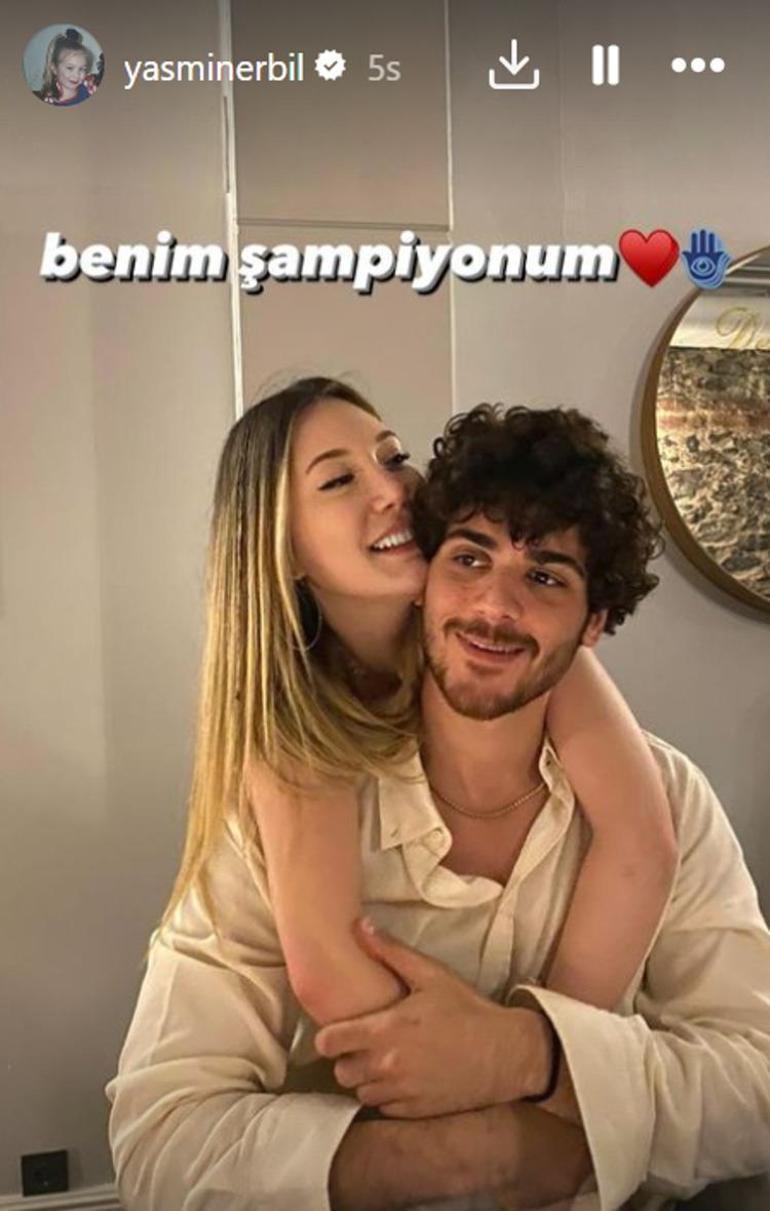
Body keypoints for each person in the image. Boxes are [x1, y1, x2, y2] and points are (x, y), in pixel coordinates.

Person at [107, 387, 770, 1209]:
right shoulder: (286, 776)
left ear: (594, 622)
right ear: (429, 574)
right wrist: (465, 1152)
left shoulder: (663, 790)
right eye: (469, 559)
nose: (496, 605)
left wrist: (533, 1055)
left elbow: (756, 1078)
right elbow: (162, 1140)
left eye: (544, 576)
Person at [155, 376, 674, 1037]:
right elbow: (329, 967)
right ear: (282, 547)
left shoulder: (509, 643)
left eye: (393, 457)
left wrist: (543, 1051)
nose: (392, 489)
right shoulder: (295, 723)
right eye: (338, 481)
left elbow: (642, 841)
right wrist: (474, 1066)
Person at [35, 28, 97, 107]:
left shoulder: (88, 88)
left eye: (82, 69)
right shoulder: (50, 101)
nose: (76, 75)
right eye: (70, 68)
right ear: (54, 68)